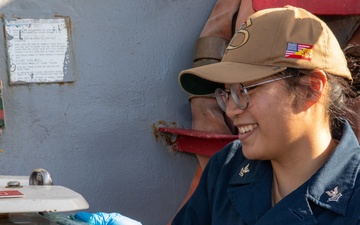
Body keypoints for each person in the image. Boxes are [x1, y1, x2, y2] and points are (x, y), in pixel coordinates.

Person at [172, 5, 360, 225]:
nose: (232, 110)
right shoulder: (226, 167)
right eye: (228, 92)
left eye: (246, 89)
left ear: (312, 88)